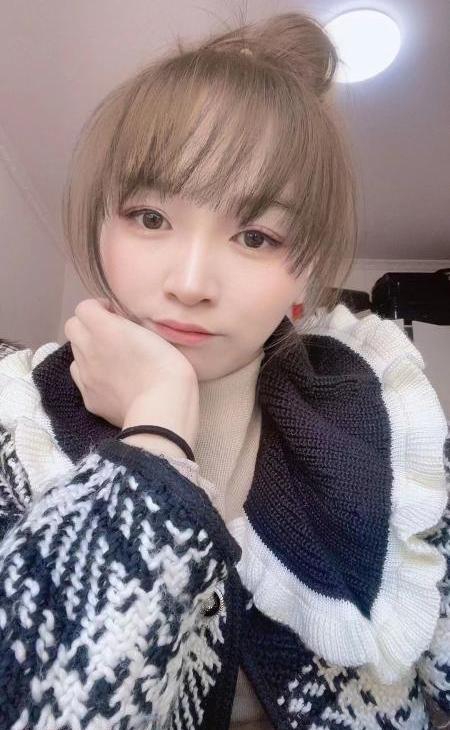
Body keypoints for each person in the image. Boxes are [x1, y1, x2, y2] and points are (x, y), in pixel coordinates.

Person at [0, 10, 449, 730]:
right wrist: (155, 429)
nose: (190, 282)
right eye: (151, 217)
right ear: (101, 225)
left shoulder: (387, 418)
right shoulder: (15, 418)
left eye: (255, 235)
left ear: (303, 273)